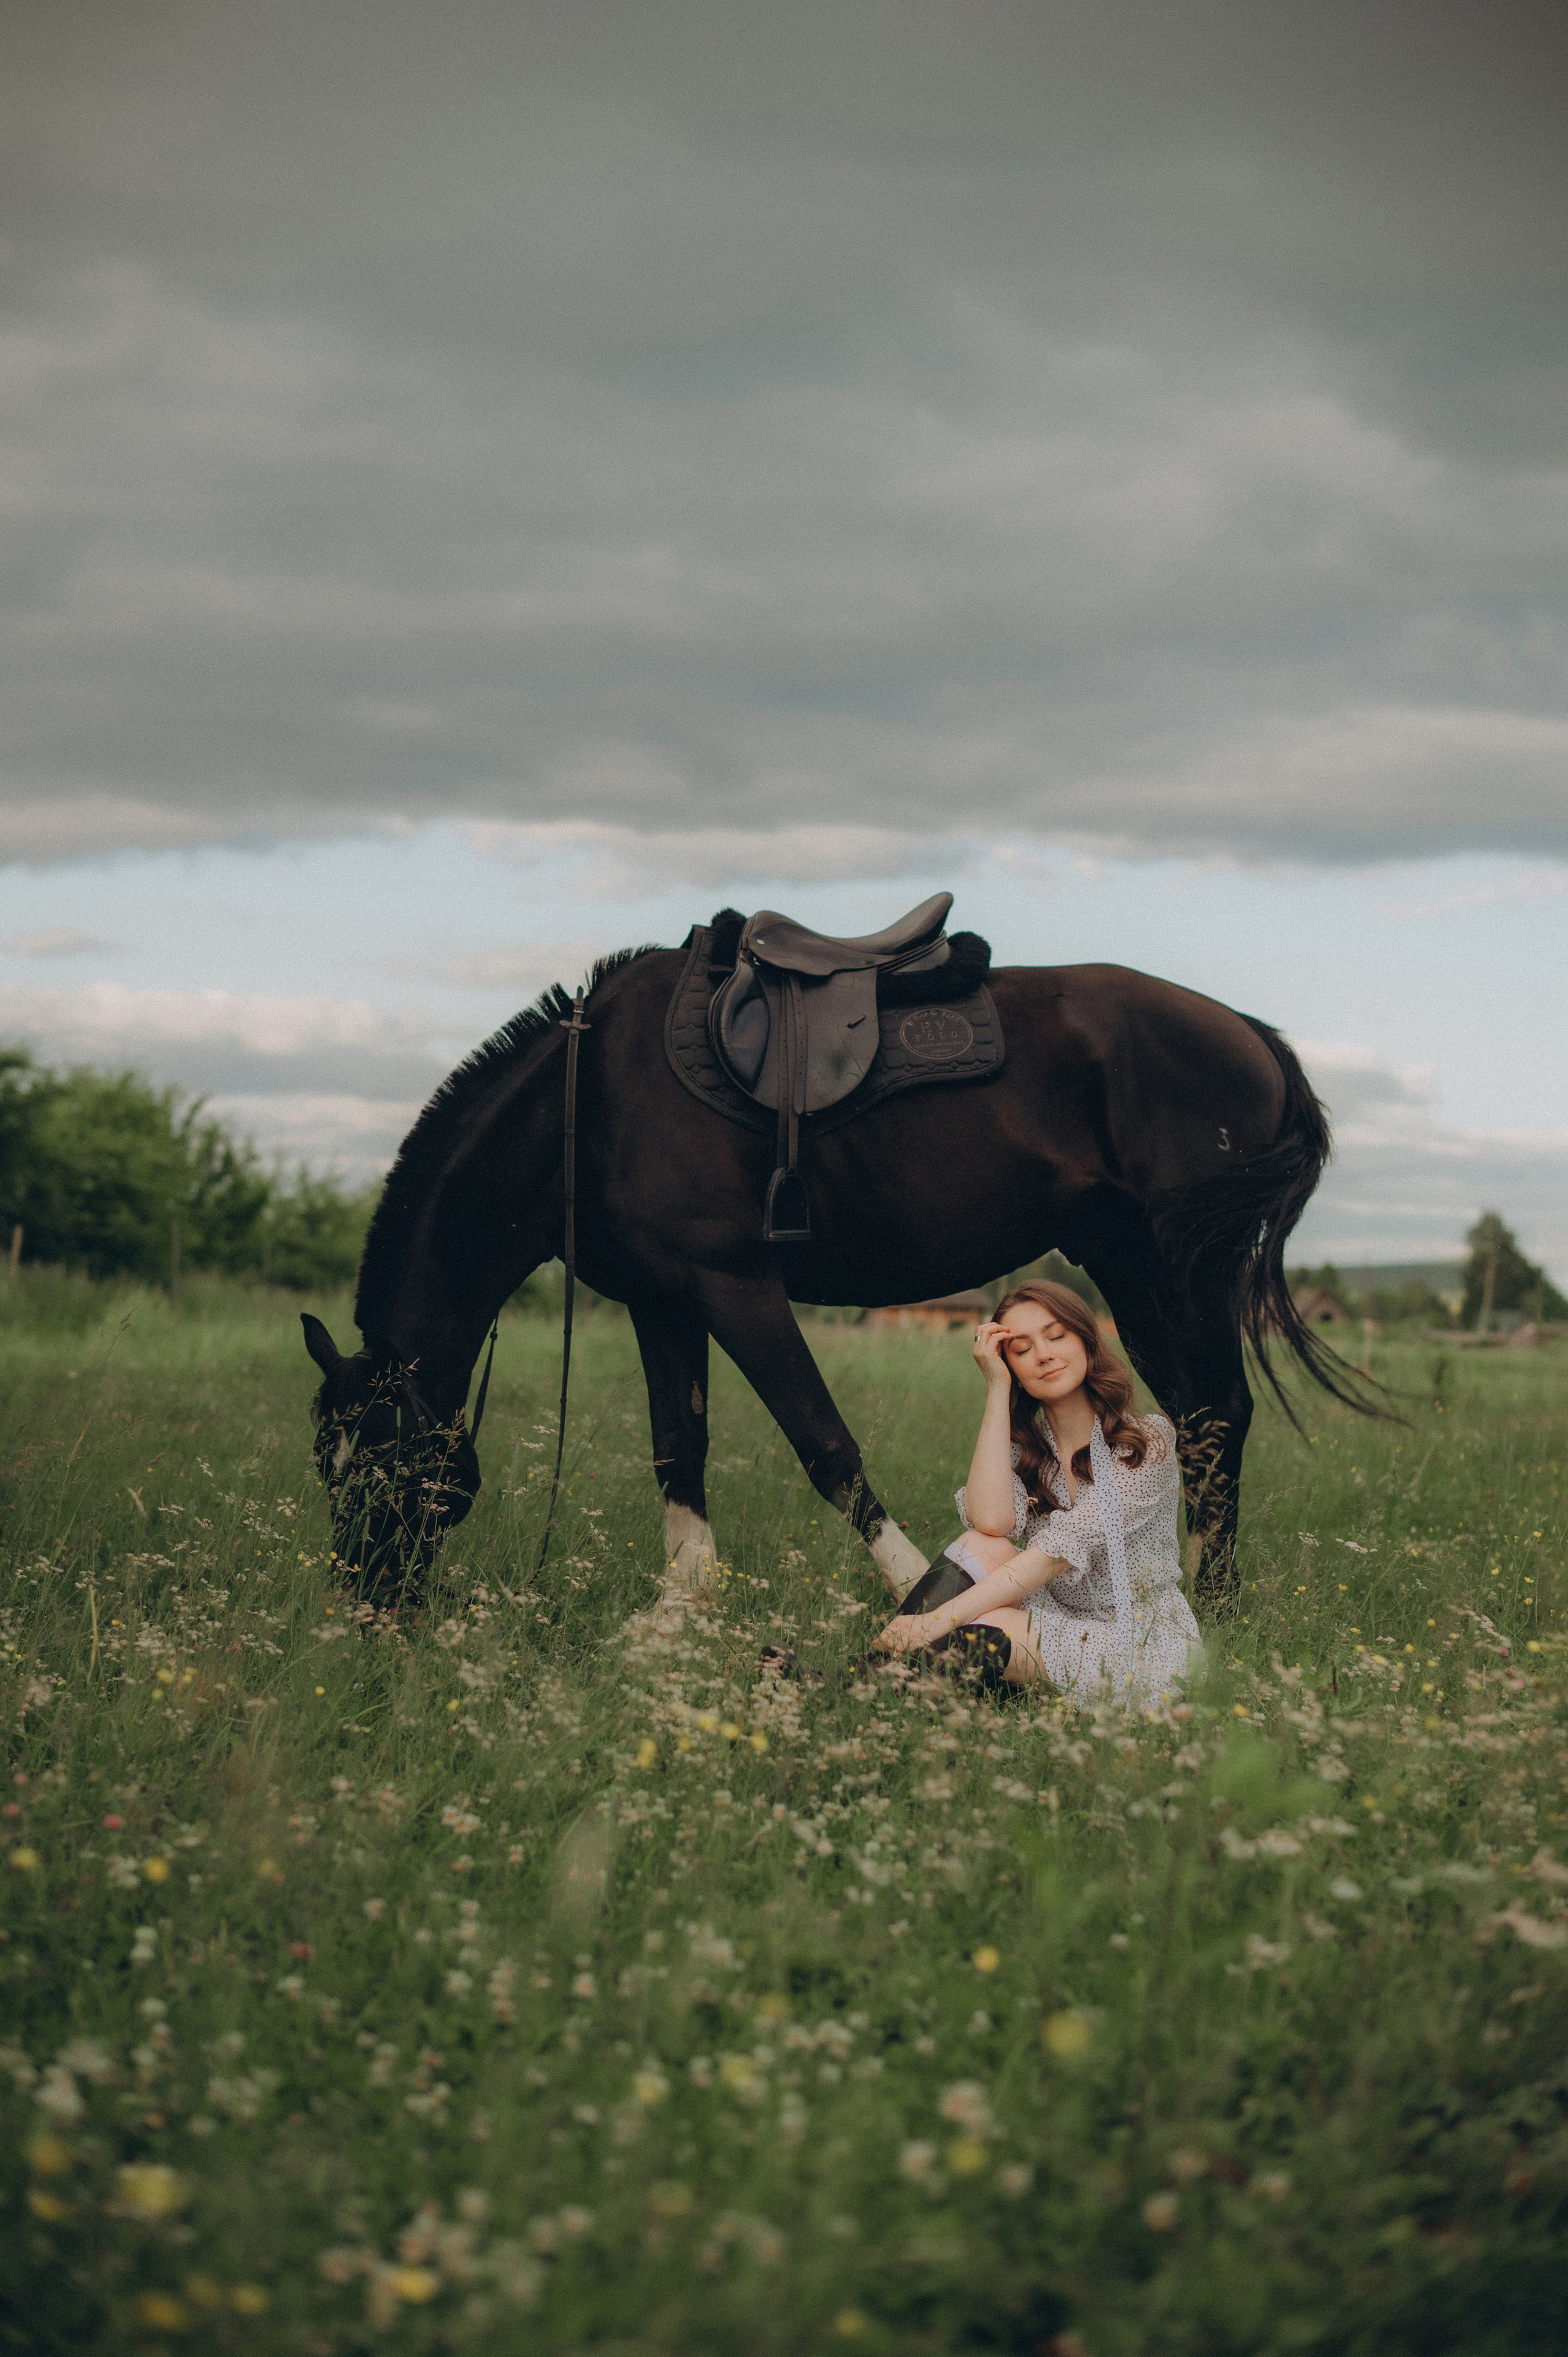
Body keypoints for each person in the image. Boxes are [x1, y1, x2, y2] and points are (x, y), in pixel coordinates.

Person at [873, 1280, 1202, 1702]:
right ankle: (874, 1681)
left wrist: (935, 1621)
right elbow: (991, 1523)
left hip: (1137, 1637)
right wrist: (997, 1391)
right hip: (1059, 1619)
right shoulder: (1030, 1452)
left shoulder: (1145, 1442)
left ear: (1085, 1341)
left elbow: (1051, 1558)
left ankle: (864, 1685)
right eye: (1022, 1350)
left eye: (1056, 1336)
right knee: (982, 1545)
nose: (1044, 1355)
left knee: (985, 1625)